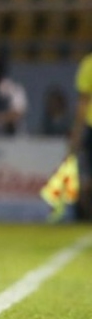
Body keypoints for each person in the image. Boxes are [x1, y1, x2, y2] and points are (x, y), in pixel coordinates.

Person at [69, 53, 92, 221]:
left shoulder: (88, 64)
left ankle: (85, 216)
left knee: (87, 177)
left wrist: (76, 133)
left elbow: (83, 101)